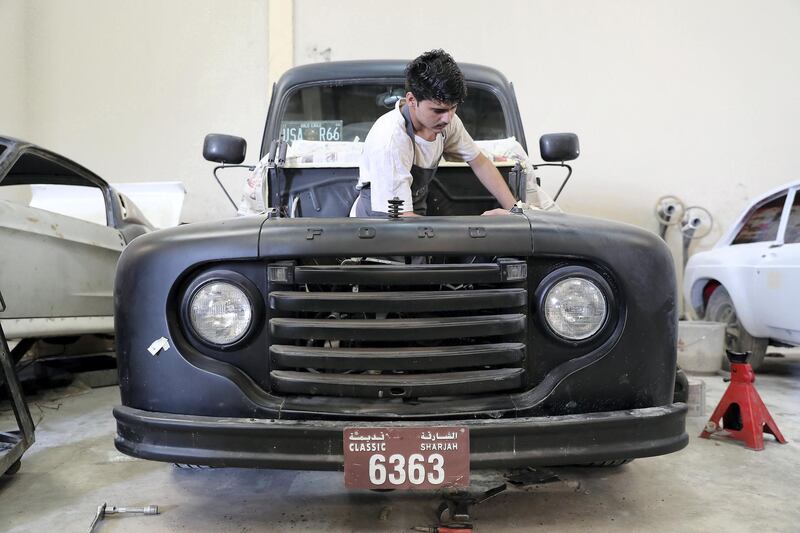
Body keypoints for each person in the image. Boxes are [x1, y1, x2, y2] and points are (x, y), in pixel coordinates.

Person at [354, 49, 516, 217]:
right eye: (438, 110)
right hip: (379, 227)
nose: (447, 118)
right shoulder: (390, 140)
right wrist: (475, 225)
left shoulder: (447, 122)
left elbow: (479, 162)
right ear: (411, 100)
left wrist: (515, 211)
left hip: (413, 220)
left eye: (453, 108)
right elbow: (402, 220)